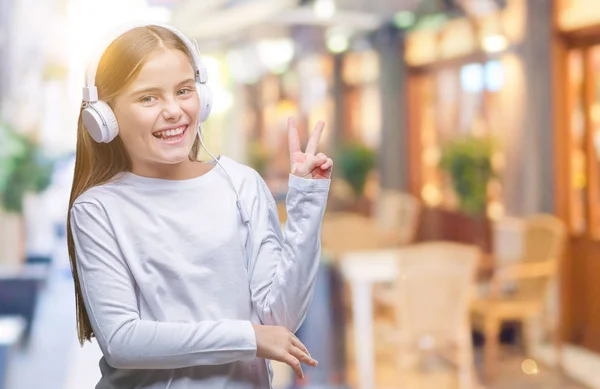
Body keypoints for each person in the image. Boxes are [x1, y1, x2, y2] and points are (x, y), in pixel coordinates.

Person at [66, 23, 333, 389]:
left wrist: (306, 200)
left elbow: (279, 320)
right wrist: (248, 337)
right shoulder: (98, 209)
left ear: (202, 97)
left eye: (183, 90)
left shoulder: (241, 184)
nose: (174, 110)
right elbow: (122, 341)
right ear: (106, 117)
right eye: (149, 98)